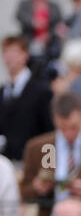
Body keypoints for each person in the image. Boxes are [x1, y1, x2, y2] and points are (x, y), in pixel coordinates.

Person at [0, 35, 53, 163]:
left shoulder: (41, 90)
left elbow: (49, 132)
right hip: (6, 161)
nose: (9, 57)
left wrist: (48, 166)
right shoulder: (3, 91)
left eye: (14, 52)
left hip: (32, 163)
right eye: (6, 52)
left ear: (25, 55)